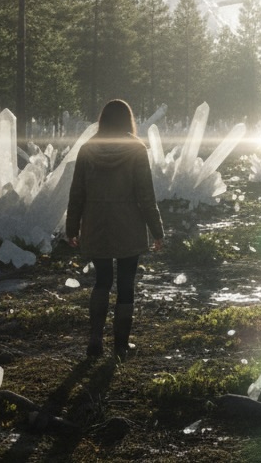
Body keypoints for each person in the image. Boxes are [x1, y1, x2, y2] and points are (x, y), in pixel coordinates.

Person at [65, 99, 164, 359]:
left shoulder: (88, 149)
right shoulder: (136, 149)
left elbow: (77, 193)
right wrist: (157, 231)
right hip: (128, 225)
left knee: (102, 280)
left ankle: (95, 341)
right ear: (127, 120)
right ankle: (120, 345)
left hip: (96, 224)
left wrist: (72, 228)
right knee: (126, 283)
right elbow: (146, 195)